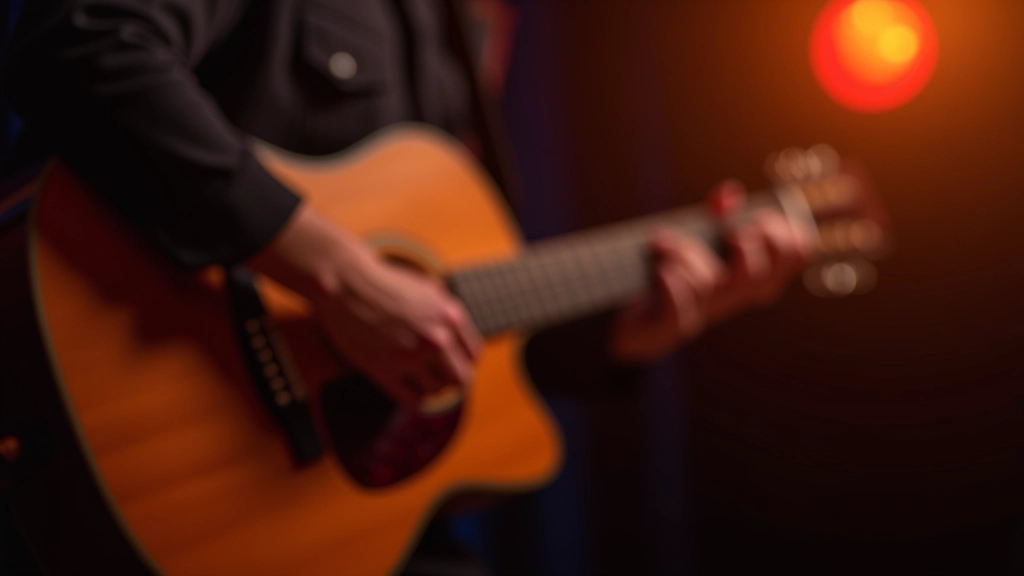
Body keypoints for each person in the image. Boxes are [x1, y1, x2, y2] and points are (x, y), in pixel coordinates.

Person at [0, 0, 813, 573]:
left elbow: (448, 312)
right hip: (137, 433)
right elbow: (83, 43)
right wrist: (340, 276)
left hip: (321, 517)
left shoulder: (459, 27)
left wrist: (632, 333)